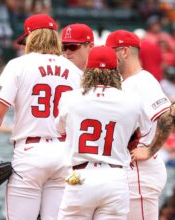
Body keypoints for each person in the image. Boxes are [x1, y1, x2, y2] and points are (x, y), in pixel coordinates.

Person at [0, 14, 82, 220]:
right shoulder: (75, 70)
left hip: (30, 152)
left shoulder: (18, 65)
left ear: (31, 37)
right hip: (64, 153)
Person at [56, 46, 151, 219]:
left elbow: (59, 129)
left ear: (87, 70)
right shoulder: (132, 100)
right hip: (115, 176)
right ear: (116, 71)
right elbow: (145, 130)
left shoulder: (70, 98)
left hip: (80, 175)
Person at [106, 30, 172, 220]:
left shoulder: (144, 81)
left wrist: (150, 150)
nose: (109, 56)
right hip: (129, 171)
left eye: (113, 51)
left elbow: (167, 116)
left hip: (141, 173)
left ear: (124, 52)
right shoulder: (126, 82)